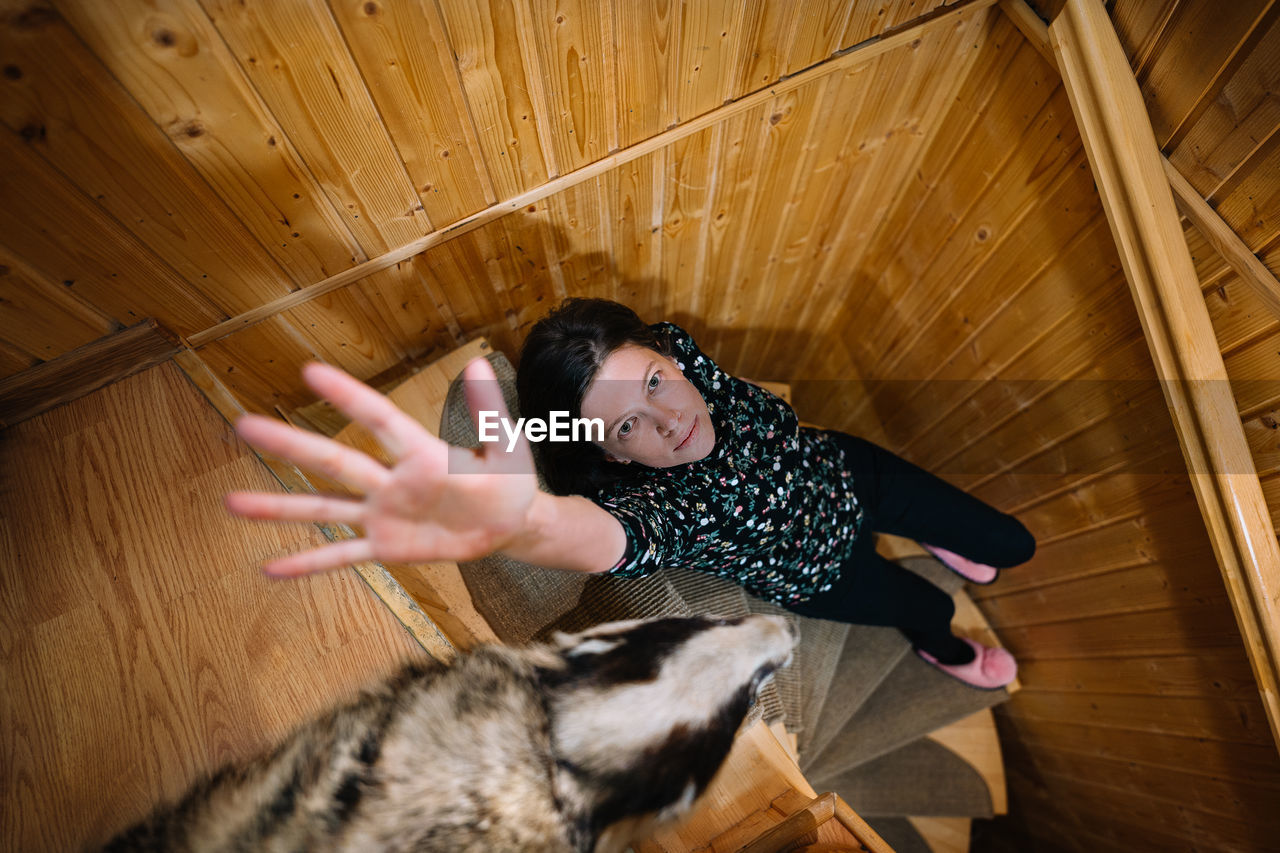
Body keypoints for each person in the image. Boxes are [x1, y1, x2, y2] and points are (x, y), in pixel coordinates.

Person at [226, 299, 1034, 689]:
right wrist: (528, 520)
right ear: (607, 450)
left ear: (666, 351)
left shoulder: (679, 350)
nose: (667, 419)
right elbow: (600, 536)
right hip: (822, 574)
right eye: (625, 428)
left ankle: (940, 532)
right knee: (925, 607)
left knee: (1009, 544)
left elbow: (636, 393)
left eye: (654, 381)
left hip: (848, 469)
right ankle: (943, 645)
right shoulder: (665, 507)